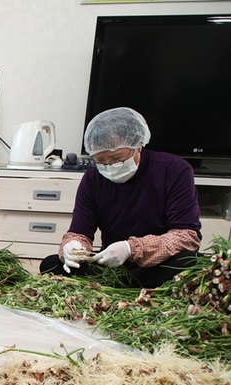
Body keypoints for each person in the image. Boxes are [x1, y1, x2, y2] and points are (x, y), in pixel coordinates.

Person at [39, 107, 201, 288]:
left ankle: (115, 286)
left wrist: (132, 248)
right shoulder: (93, 179)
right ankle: (127, 285)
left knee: (189, 261)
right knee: (51, 264)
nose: (109, 167)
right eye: (100, 161)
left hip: (157, 264)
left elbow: (186, 237)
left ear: (138, 145)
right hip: (113, 264)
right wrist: (72, 247)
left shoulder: (174, 170)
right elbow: (80, 231)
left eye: (117, 159)